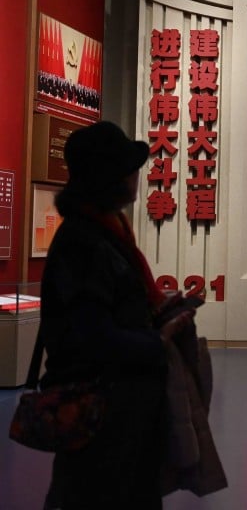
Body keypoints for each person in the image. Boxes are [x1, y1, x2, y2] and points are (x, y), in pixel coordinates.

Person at [39, 121, 195, 509]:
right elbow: (92, 337)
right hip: (100, 421)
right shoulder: (85, 243)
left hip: (120, 417)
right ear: (111, 179)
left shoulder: (106, 234)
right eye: (129, 168)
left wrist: (159, 313)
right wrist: (157, 339)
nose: (136, 176)